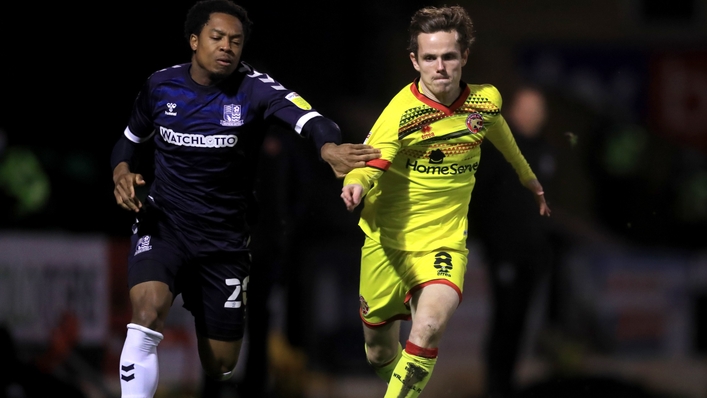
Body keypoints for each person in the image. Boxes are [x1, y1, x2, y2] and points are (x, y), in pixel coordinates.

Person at [110, 1, 380, 397]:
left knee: (221, 365)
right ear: (194, 40)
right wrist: (121, 172)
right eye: (217, 37)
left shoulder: (255, 89)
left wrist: (327, 148)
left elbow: (315, 121)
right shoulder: (160, 86)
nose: (226, 47)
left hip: (224, 241)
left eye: (235, 41)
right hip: (164, 224)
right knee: (147, 313)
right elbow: (128, 143)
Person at [340, 5, 551, 397]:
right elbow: (373, 160)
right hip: (387, 245)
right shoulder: (401, 112)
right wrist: (357, 182)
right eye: (430, 58)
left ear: (464, 57)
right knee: (379, 352)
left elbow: (502, 133)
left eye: (449, 56)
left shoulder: (485, 102)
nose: (440, 67)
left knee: (429, 325)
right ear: (414, 61)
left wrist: (527, 176)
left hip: (444, 243)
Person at [469, 85, 558, 398]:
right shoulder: (497, 149)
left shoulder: (545, 151)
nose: (534, 115)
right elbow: (479, 200)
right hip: (504, 250)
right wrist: (490, 242)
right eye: (528, 108)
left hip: (533, 253)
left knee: (522, 321)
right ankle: (495, 384)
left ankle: (508, 383)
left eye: (539, 109)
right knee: (504, 318)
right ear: (514, 111)